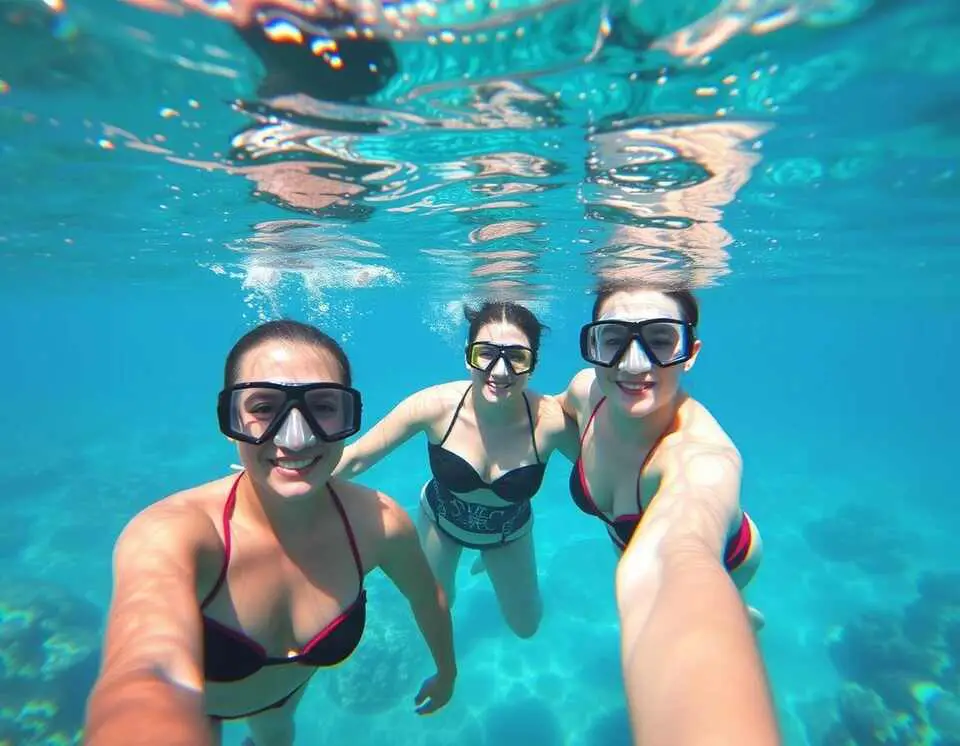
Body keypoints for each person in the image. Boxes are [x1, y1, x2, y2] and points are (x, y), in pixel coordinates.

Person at [84, 319, 456, 746]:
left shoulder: (381, 524)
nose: (295, 438)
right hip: (201, 713)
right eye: (263, 408)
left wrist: (447, 671)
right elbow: (147, 669)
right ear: (229, 420)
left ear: (351, 415)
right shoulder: (172, 534)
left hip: (285, 702)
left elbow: (429, 596)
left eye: (322, 406)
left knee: (275, 734)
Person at [334, 301, 576, 639]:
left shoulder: (550, 422)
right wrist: (280, 474)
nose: (501, 371)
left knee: (526, 625)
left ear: (532, 365)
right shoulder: (434, 406)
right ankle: (484, 558)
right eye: (486, 353)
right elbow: (357, 457)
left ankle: (489, 558)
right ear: (468, 356)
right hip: (440, 522)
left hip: (508, 534)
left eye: (517, 357)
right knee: (439, 604)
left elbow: (603, 474)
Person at [557, 281, 764, 627]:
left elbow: (691, 549)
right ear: (594, 345)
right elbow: (542, 419)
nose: (634, 365)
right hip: (623, 539)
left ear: (691, 353)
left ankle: (735, 610)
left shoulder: (702, 459)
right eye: (613, 339)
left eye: (660, 340)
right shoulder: (586, 392)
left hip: (731, 562)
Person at [615, 510, 781, 746]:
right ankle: (731, 620)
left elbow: (695, 499)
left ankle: (727, 621)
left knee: (686, 673)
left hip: (712, 552)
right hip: (661, 558)